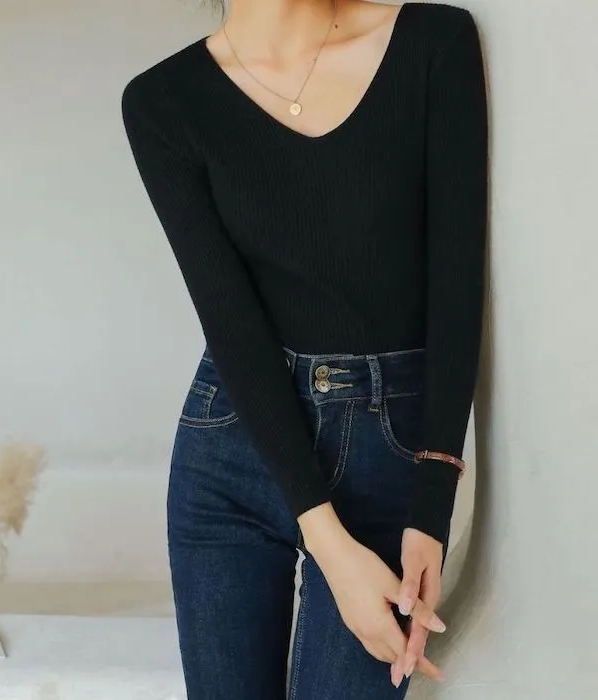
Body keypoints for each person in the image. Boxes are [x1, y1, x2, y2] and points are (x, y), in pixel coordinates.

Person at [120, 0, 488, 697]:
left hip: (388, 457)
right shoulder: (163, 102)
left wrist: (432, 503)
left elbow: (458, 283)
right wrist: (328, 542)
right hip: (235, 443)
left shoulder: (431, 43)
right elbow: (230, 322)